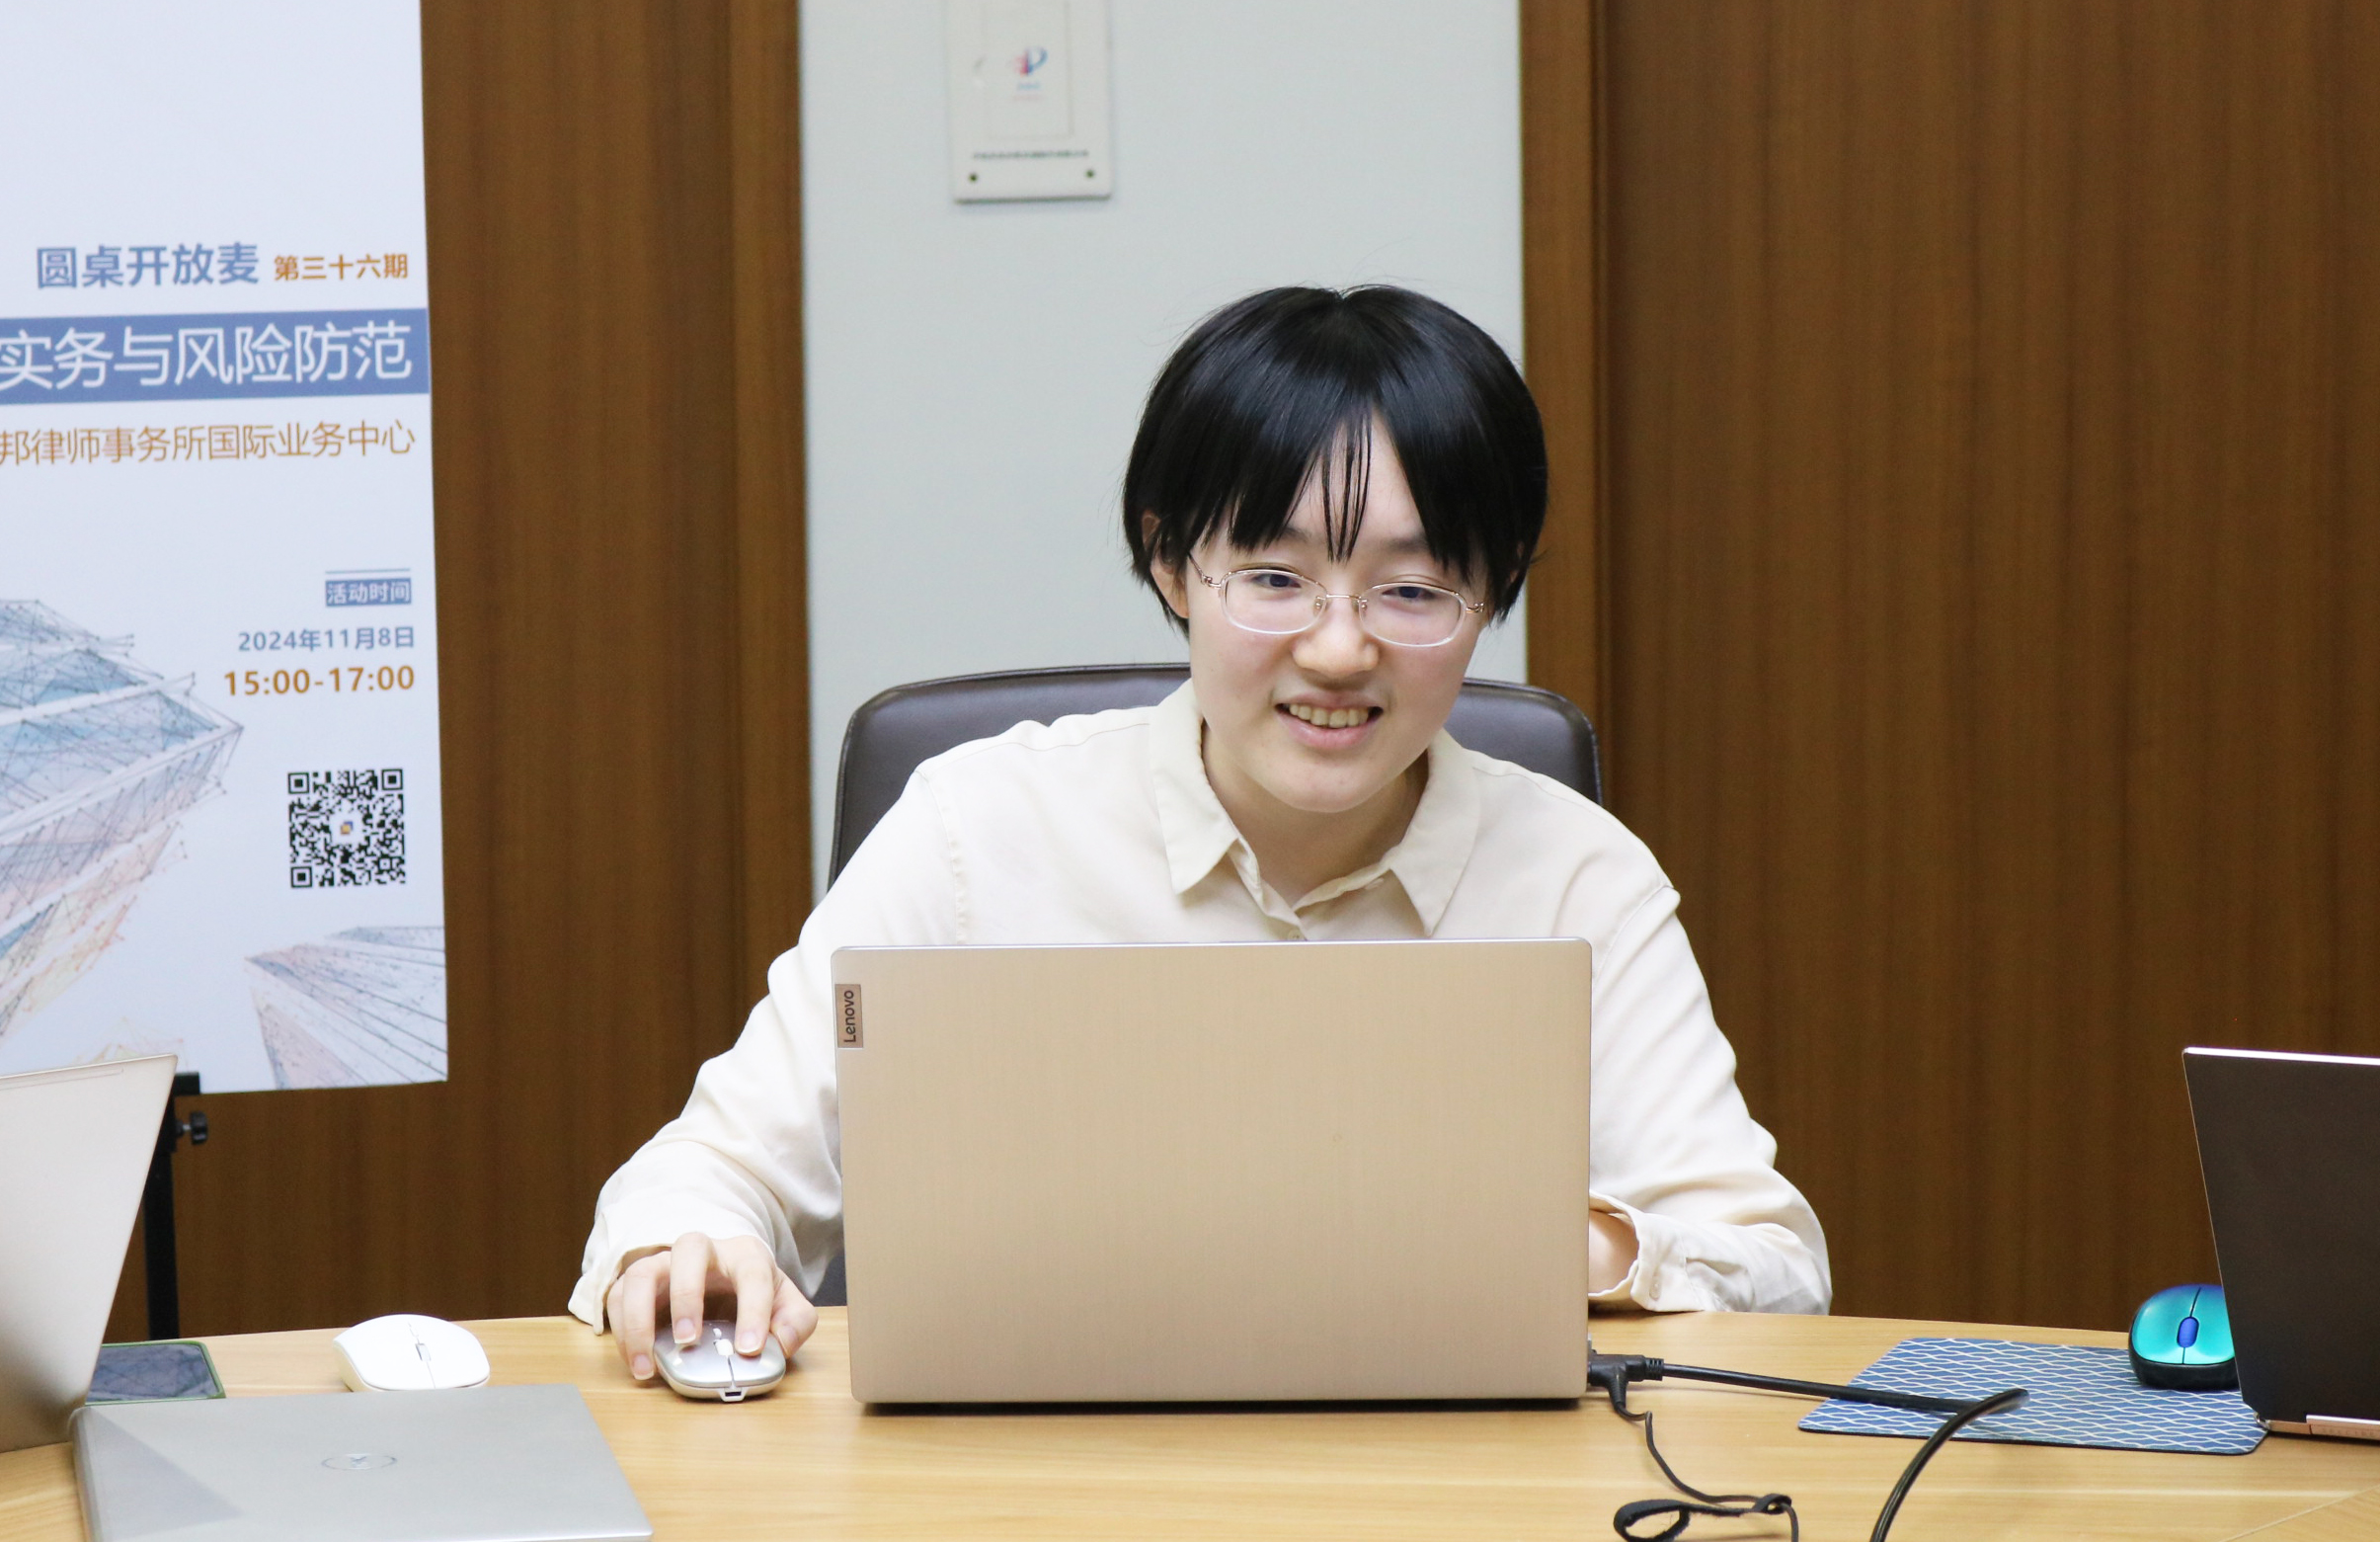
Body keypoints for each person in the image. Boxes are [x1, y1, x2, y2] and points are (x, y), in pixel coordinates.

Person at [571, 284, 1830, 1380]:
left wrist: (1556, 1247)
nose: (1337, 648)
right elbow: (709, 1171)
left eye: (1410, 588)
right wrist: (687, 1251)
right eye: (1274, 578)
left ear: (1491, 589)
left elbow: (1775, 1269)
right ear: (1171, 564)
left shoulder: (1577, 876)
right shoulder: (974, 831)